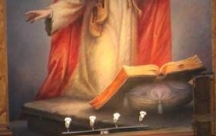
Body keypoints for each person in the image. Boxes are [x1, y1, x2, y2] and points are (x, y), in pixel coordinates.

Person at [25, 0, 171, 101]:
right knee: (104, 82)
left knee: (123, 78)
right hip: (101, 22)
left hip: (127, 20)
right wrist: (51, 11)